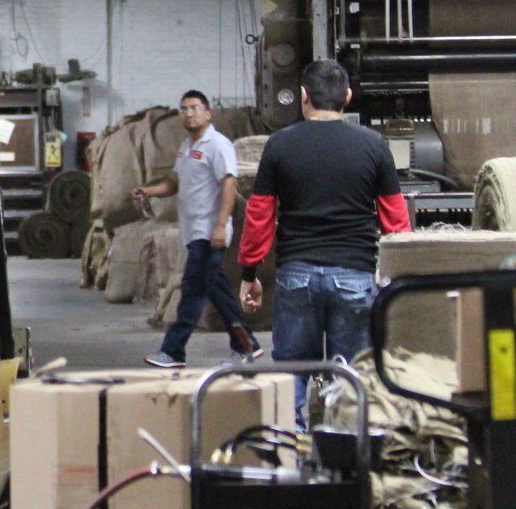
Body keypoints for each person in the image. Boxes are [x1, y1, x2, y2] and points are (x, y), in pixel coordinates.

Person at [238, 59, 410, 422]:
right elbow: (396, 221)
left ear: (303, 97)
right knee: (354, 380)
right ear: (347, 96)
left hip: (296, 275)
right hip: (355, 276)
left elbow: (259, 216)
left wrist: (249, 273)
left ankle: (288, 452)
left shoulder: (280, 145)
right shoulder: (374, 146)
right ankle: (347, 458)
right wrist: (399, 281)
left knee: (291, 377)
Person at [137, 90, 263, 368]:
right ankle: (247, 346)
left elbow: (229, 184)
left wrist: (220, 226)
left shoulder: (218, 145)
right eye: (184, 109)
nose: (189, 113)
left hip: (209, 233)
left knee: (192, 292)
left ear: (208, 112)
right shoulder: (185, 146)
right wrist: (149, 191)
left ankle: (173, 351)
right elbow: (173, 182)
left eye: (195, 108)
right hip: (193, 232)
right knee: (218, 292)